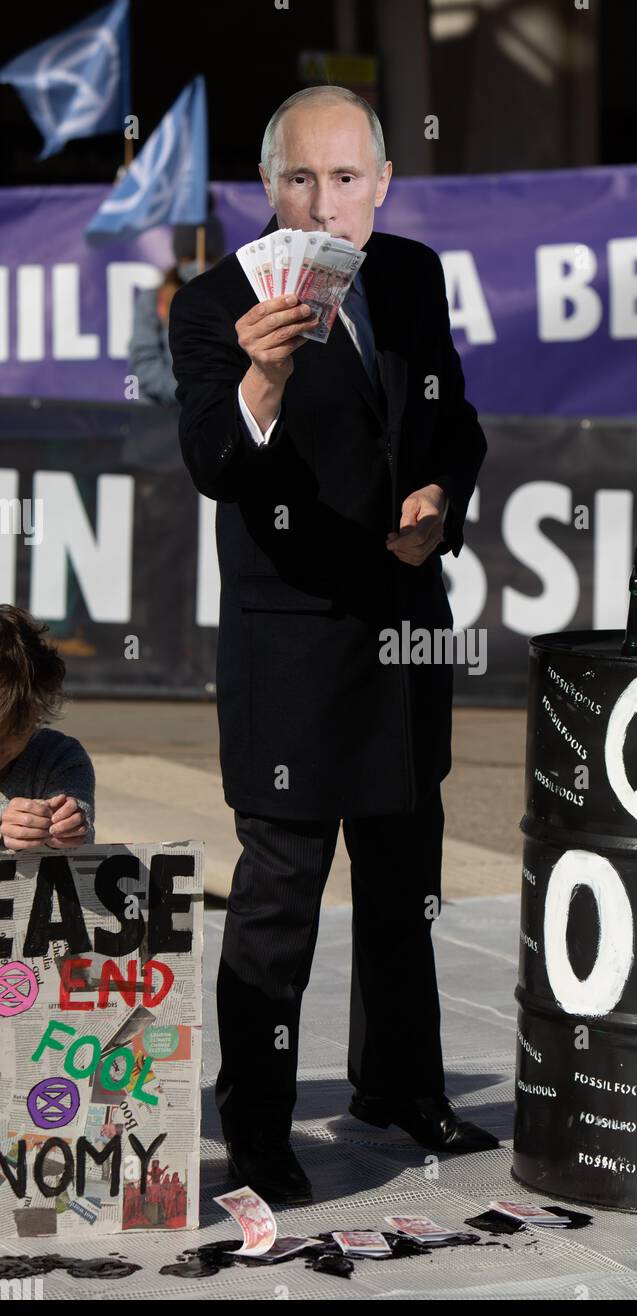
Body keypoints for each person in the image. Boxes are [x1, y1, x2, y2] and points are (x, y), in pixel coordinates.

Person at [169, 85, 495, 1207]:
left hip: (406, 632)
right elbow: (217, 461)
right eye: (300, 180)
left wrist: (437, 500)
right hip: (294, 650)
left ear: (383, 185)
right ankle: (256, 1132)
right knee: (278, 904)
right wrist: (262, 376)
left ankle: (399, 1087)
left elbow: (453, 418)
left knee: (405, 884)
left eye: (346, 179)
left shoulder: (410, 274)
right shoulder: (217, 301)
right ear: (268, 191)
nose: (324, 202)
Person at [0, 606, 94, 852]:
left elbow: (81, 834)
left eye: (17, 730)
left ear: (38, 712)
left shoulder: (59, 757)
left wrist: (68, 828)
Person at [129, 214, 225, 406]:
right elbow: (145, 365)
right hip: (161, 420)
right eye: (191, 258)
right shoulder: (155, 299)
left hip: (213, 414)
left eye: (209, 259)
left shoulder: (230, 296)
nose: (200, 265)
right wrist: (191, 392)